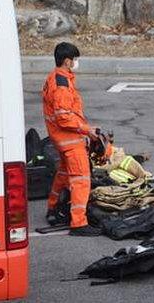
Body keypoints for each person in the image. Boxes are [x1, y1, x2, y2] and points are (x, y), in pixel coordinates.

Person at [42, 42, 102, 236]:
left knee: (64, 175)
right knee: (81, 179)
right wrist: (87, 131)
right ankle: (79, 223)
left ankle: (53, 208)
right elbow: (64, 116)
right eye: (75, 59)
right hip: (70, 140)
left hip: (61, 139)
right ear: (68, 61)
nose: (76, 63)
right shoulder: (62, 85)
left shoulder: (55, 78)